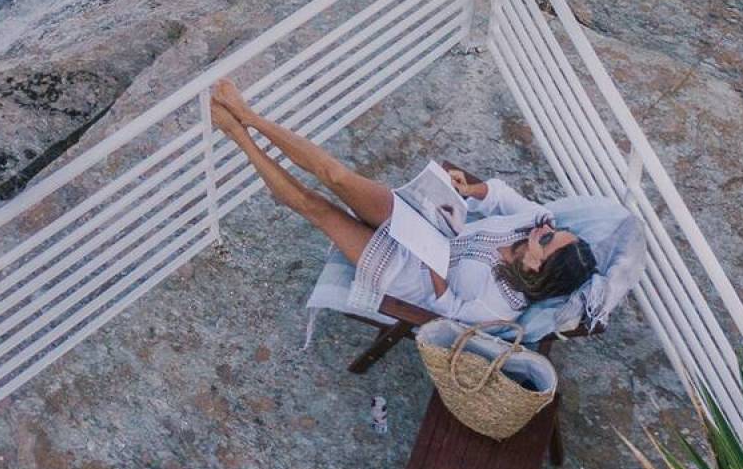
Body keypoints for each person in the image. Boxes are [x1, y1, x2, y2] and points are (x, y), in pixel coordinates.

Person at [209, 79, 597, 325]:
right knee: (337, 175)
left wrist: (434, 263)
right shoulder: (536, 221)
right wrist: (469, 191)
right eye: (557, 229)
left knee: (318, 209)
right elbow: (501, 195)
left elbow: (449, 310)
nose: (547, 227)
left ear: (538, 267)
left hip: (407, 271)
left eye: (549, 239)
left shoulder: (501, 307)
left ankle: (237, 136)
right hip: (426, 223)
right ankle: (248, 116)